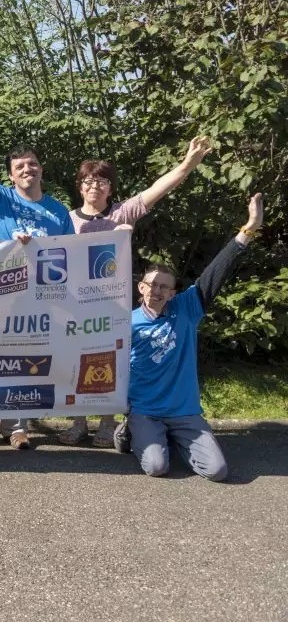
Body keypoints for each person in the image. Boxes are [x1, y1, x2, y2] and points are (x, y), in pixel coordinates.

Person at [58, 136, 212, 447]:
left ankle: (107, 423)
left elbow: (159, 189)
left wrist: (188, 164)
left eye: (102, 181)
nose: (95, 186)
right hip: (74, 305)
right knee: (76, 362)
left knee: (110, 362)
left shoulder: (121, 214)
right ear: (80, 186)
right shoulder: (66, 220)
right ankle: (78, 424)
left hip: (112, 306)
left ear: (110, 189)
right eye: (88, 180)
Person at [119, 194, 263, 481]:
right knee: (157, 467)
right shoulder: (124, 322)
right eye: (152, 285)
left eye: (164, 287)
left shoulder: (186, 309)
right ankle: (129, 431)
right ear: (140, 288)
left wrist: (250, 228)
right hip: (145, 409)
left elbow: (216, 272)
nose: (157, 291)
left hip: (184, 411)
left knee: (217, 471)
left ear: (173, 293)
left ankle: (171, 438)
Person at [0, 105, 74, 449]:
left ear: (41, 170)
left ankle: (15, 426)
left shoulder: (57, 210)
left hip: (37, 297)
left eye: (32, 164)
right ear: (10, 175)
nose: (27, 169)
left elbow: (70, 255)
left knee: (24, 360)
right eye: (20, 166)